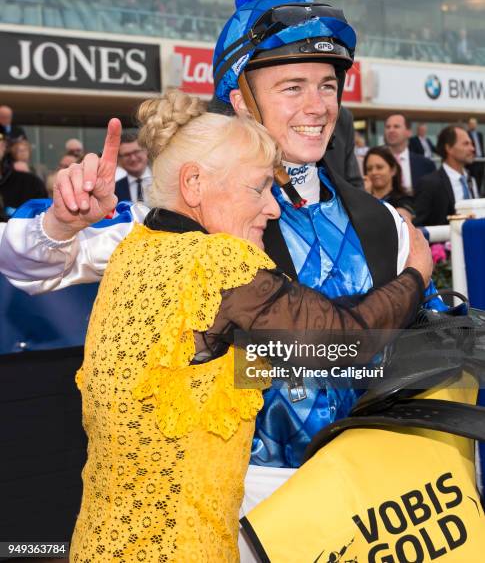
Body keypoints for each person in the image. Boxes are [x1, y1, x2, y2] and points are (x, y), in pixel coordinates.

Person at [0, 0, 446, 522]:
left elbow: (419, 350)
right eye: (292, 86)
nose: (317, 106)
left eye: (328, 85)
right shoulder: (191, 215)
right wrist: (63, 221)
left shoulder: (387, 223)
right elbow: (33, 266)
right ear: (239, 99)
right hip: (237, 513)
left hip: (365, 503)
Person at [48, 91, 430, 560]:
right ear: (194, 184)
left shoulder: (136, 252)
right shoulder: (216, 262)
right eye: (257, 189)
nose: (272, 209)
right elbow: (348, 343)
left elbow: (195, 385)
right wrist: (416, 272)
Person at [414, 125, 478, 226]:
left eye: (472, 144)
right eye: (466, 144)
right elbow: (419, 226)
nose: (472, 148)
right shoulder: (429, 184)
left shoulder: (471, 180)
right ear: (449, 148)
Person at [384, 113, 435, 193]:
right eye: (388, 127)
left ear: (409, 132)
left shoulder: (426, 164)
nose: (391, 130)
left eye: (396, 126)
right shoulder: (376, 162)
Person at [363, 145, 414, 220]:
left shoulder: (404, 199)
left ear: (393, 170)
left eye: (379, 167)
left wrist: (368, 199)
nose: (373, 172)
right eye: (369, 169)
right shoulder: (360, 198)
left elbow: (398, 221)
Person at [115, 131, 152, 205]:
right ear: (119, 159)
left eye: (136, 152)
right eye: (127, 155)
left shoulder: (164, 182)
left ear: (146, 151)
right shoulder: (114, 190)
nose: (133, 158)